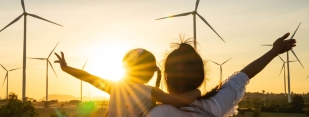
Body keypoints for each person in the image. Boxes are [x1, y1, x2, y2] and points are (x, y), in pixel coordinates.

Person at [143, 33, 296, 117]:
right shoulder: (214, 106)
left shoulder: (156, 113)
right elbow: (245, 75)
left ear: (166, 77)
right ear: (200, 77)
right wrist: (274, 51)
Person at [54, 48, 201, 117]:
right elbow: (178, 101)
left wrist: (65, 68)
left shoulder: (114, 86)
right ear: (149, 72)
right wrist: (197, 91)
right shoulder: (151, 91)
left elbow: (87, 76)